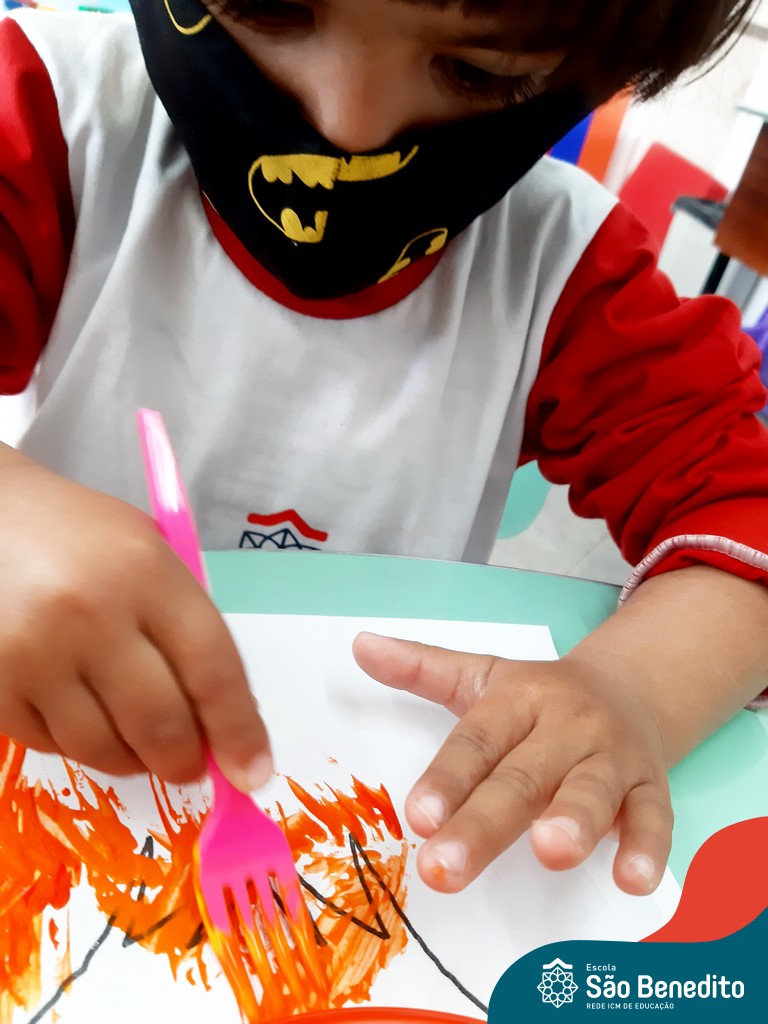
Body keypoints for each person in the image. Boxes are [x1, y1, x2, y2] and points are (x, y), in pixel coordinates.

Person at [1, 0, 767, 901]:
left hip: (371, 785)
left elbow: (745, 519)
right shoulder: (52, 114)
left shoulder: (565, 267)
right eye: (270, 6)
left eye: (480, 71)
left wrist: (635, 689)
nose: (348, 129)